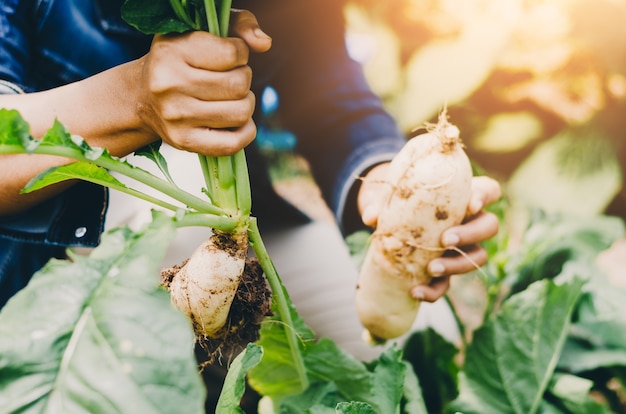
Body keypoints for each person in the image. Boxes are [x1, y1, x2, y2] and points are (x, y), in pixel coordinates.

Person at [0, 0, 500, 363]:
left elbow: (330, 97)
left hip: (243, 227)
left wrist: (387, 185)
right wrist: (132, 101)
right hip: (65, 239)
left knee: (412, 345)